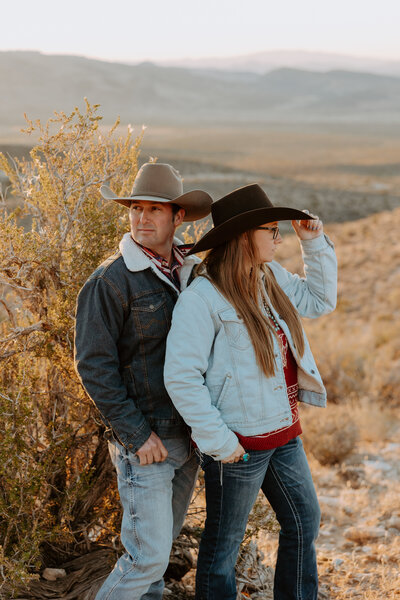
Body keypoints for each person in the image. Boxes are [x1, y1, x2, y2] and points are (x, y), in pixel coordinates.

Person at [164, 183, 337, 600]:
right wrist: (220, 441)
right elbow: (181, 377)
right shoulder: (202, 298)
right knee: (223, 547)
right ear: (244, 237)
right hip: (238, 445)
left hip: (283, 431)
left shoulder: (269, 277)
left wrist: (311, 241)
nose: (279, 238)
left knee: (303, 522)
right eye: (272, 231)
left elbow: (320, 301)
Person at [74, 162, 212, 600]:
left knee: (159, 553)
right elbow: (93, 365)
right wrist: (136, 435)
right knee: (146, 558)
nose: (143, 218)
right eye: (136, 208)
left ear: (179, 217)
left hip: (188, 439)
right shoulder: (109, 282)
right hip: (147, 443)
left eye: (155, 209)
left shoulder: (191, 271)